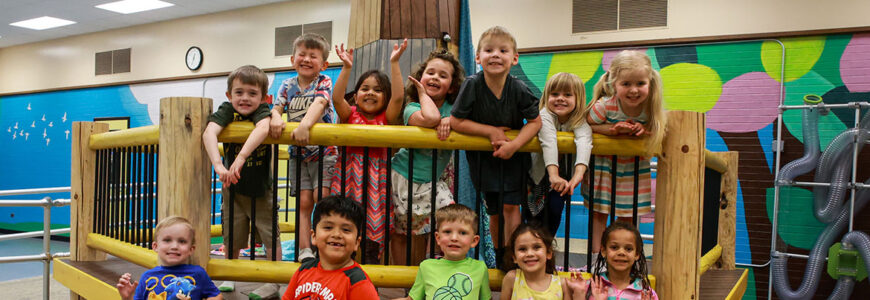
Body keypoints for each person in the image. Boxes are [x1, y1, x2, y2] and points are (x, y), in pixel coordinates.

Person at [451, 26, 542, 268]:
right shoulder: (472, 85)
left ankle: (514, 255)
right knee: (494, 211)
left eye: (503, 50)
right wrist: (489, 131)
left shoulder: (518, 88)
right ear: (478, 57)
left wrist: (515, 145)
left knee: (511, 206)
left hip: (512, 157)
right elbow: (456, 120)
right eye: (489, 50)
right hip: (484, 160)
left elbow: (535, 122)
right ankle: (501, 254)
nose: (495, 55)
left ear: (514, 58)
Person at [202, 65, 281, 298]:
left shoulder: (263, 111)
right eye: (239, 92)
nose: (245, 98)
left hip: (261, 189)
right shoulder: (227, 109)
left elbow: (263, 126)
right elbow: (209, 132)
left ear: (263, 97)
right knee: (232, 235)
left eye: (252, 93)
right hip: (232, 187)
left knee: (270, 236)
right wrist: (218, 165)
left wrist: (241, 157)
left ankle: (274, 280)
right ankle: (231, 274)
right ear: (229, 95)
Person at [582, 50, 666, 264]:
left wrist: (643, 129)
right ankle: (596, 261)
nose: (634, 90)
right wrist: (611, 130)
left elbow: (657, 128)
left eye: (640, 83)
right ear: (614, 83)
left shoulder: (650, 108)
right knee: (599, 215)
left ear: (650, 83)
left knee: (627, 217)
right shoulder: (605, 106)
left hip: (633, 171)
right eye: (626, 84)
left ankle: (627, 260)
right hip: (604, 169)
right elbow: (585, 124)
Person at [328, 40, 406, 263]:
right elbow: (336, 98)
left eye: (378, 90)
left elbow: (399, 98)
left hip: (376, 184)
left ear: (385, 96)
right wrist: (346, 68)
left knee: (373, 231)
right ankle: (343, 274)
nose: (371, 93)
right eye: (365, 88)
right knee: (343, 225)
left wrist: (395, 63)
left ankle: (369, 281)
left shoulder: (386, 119)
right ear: (356, 94)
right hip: (348, 179)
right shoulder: (349, 115)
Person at [390, 49, 465, 266]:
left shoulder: (454, 109)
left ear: (451, 86)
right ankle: (408, 281)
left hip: (431, 182)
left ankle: (436, 269)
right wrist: (422, 93)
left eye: (442, 76)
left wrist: (450, 119)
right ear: (420, 78)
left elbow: (465, 117)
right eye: (430, 73)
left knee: (448, 215)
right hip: (404, 176)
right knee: (406, 232)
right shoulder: (411, 107)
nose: (434, 78)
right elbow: (431, 118)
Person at [269, 33, 336, 261]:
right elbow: (277, 107)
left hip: (323, 152)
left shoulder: (323, 81)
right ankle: (305, 250)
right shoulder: (287, 85)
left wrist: (305, 125)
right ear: (292, 59)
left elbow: (320, 102)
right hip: (298, 153)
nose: (306, 59)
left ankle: (324, 246)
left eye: (313, 56)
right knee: (303, 202)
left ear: (324, 64)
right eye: (302, 54)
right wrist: (277, 118)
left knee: (322, 198)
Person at [527, 72, 592, 235]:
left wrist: (578, 174)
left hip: (560, 180)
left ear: (578, 99)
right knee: (532, 217)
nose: (560, 98)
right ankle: (530, 249)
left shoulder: (578, 120)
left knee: (555, 212)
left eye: (567, 94)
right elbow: (548, 141)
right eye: (554, 94)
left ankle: (546, 250)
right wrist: (553, 175)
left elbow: (585, 140)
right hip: (537, 177)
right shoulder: (543, 115)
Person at [281, 196, 380, 300]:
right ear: (313, 236)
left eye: (346, 229)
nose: (336, 234)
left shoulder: (357, 282)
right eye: (328, 227)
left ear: (356, 242)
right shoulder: (304, 270)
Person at [399, 204, 491, 300]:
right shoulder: (426, 266)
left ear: (474, 241)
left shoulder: (480, 268)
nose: (454, 238)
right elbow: (412, 299)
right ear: (438, 238)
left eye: (463, 233)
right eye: (447, 232)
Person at [116, 216, 221, 300]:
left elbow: (217, 296)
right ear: (155, 246)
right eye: (167, 240)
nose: (174, 246)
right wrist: (127, 297)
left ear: (191, 249)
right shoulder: (147, 277)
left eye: (182, 241)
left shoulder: (198, 274)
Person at [572, 222, 657, 300]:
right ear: (603, 251)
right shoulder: (590, 287)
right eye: (614, 247)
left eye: (628, 249)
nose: (621, 252)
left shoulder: (646, 292)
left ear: (637, 254)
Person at [500, 223, 579, 300]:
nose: (529, 254)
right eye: (522, 249)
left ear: (548, 253)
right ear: (514, 257)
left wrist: (580, 292)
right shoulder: (512, 279)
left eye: (536, 247)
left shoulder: (562, 285)